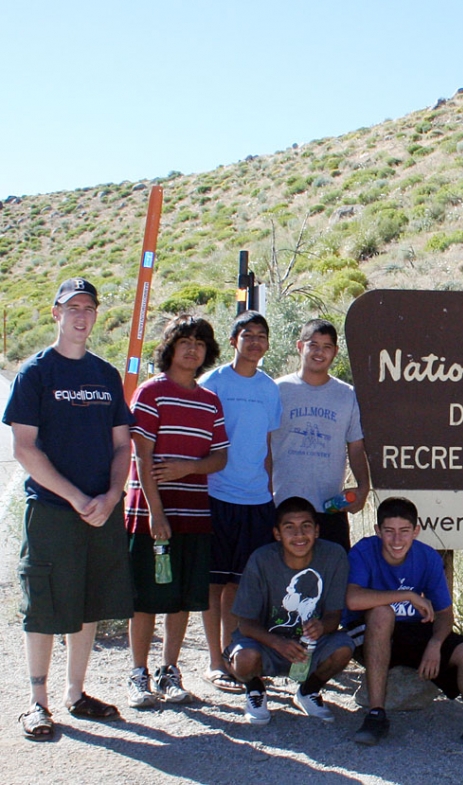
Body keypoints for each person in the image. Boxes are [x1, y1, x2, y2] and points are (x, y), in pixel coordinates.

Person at [3, 279, 134, 740]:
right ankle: (36, 703)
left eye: (89, 308)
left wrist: (112, 495)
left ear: (96, 315)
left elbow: (123, 444)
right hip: (55, 511)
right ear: (56, 313)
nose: (81, 315)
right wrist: (77, 498)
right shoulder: (36, 373)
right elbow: (24, 447)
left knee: (89, 600)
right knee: (45, 604)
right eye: (72, 307)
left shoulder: (105, 375)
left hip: (102, 508)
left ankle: (75, 694)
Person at [343, 497, 463, 750]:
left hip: (413, 630)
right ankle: (376, 715)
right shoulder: (364, 551)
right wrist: (407, 595)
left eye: (404, 532)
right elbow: (352, 599)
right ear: (377, 530)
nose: (396, 540)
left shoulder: (427, 557)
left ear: (416, 531)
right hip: (370, 631)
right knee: (382, 613)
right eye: (389, 532)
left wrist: (436, 644)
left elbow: (445, 613)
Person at [124, 315, 229, 708]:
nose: (192, 349)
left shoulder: (209, 401)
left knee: (183, 597)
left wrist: (189, 468)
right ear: (170, 346)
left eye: (200, 343)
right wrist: (156, 512)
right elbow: (141, 455)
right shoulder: (151, 393)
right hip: (151, 514)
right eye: (184, 341)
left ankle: (170, 671)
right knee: (147, 596)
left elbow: (220, 457)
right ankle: (138, 674)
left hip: (194, 514)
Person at [199, 311, 282, 693]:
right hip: (217, 493)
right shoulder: (213, 382)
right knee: (213, 583)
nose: (255, 343)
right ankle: (214, 661)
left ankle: (235, 654)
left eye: (261, 336)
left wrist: (269, 490)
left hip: (256, 498)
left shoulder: (269, 388)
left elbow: (265, 445)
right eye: (247, 335)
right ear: (234, 341)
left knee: (238, 583)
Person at [226, 496, 354, 725]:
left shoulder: (334, 556)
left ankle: (309, 691)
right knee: (244, 659)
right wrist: (277, 643)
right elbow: (245, 623)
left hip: (309, 646)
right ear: (277, 534)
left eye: (306, 526)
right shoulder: (262, 559)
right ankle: (255, 691)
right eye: (289, 528)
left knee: (344, 647)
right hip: (267, 643)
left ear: (316, 530)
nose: (299, 535)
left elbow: (334, 616)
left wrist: (322, 626)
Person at [272, 319, 370, 551]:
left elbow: (355, 447)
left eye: (326, 347)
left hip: (329, 507)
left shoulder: (346, 395)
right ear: (299, 346)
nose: (319, 352)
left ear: (335, 352)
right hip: (283, 505)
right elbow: (262, 446)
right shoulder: (277, 390)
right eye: (313, 345)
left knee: (334, 580)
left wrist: (363, 487)